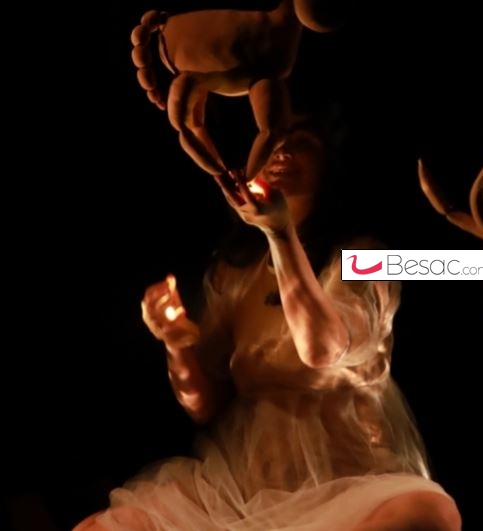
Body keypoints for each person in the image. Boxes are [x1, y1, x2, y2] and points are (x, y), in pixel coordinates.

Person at [74, 115, 462, 531]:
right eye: (271, 140)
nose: (283, 152)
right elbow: (205, 405)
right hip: (243, 487)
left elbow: (322, 349)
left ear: (330, 159)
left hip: (350, 481)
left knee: (428, 516)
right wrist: (176, 343)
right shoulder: (234, 271)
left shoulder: (365, 256)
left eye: (302, 141)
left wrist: (280, 233)